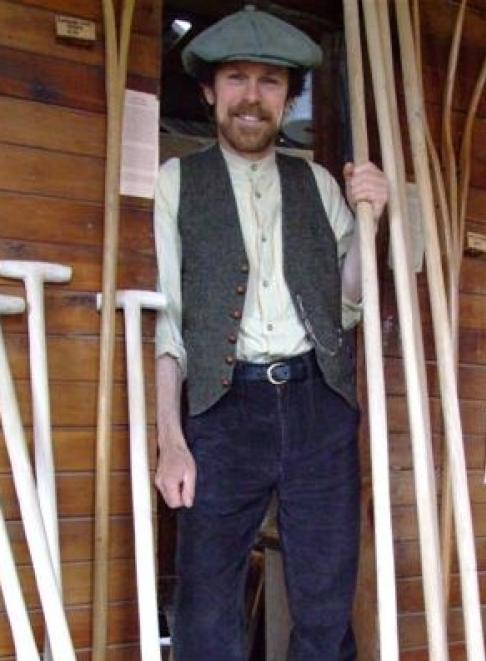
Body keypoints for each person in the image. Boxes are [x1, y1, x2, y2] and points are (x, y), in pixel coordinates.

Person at [154, 6, 388, 660]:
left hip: (319, 404)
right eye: (236, 78)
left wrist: (375, 216)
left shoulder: (317, 184)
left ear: (288, 97)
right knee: (206, 600)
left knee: (324, 595)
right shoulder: (176, 184)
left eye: (270, 82)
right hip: (222, 410)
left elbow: (348, 301)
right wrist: (171, 440)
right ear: (209, 90)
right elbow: (168, 324)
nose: (251, 97)